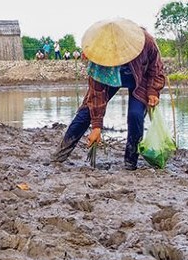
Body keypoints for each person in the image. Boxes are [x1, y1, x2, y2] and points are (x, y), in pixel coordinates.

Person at [52, 18, 165, 170]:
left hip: (139, 79)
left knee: (135, 115)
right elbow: (96, 94)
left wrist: (153, 91)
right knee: (86, 112)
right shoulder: (99, 58)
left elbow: (156, 67)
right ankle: (60, 155)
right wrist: (97, 127)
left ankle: (130, 161)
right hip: (110, 77)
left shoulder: (145, 41)